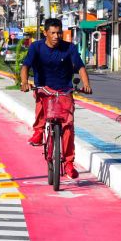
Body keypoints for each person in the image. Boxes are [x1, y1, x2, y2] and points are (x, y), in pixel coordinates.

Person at [20, 18, 92, 179]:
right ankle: (38, 132)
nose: (56, 36)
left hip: (64, 90)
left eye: (59, 32)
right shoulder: (36, 47)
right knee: (40, 101)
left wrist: (86, 84)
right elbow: (25, 66)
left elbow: (80, 67)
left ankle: (68, 163)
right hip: (44, 88)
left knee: (68, 126)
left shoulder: (70, 48)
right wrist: (24, 82)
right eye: (52, 33)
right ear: (45, 33)